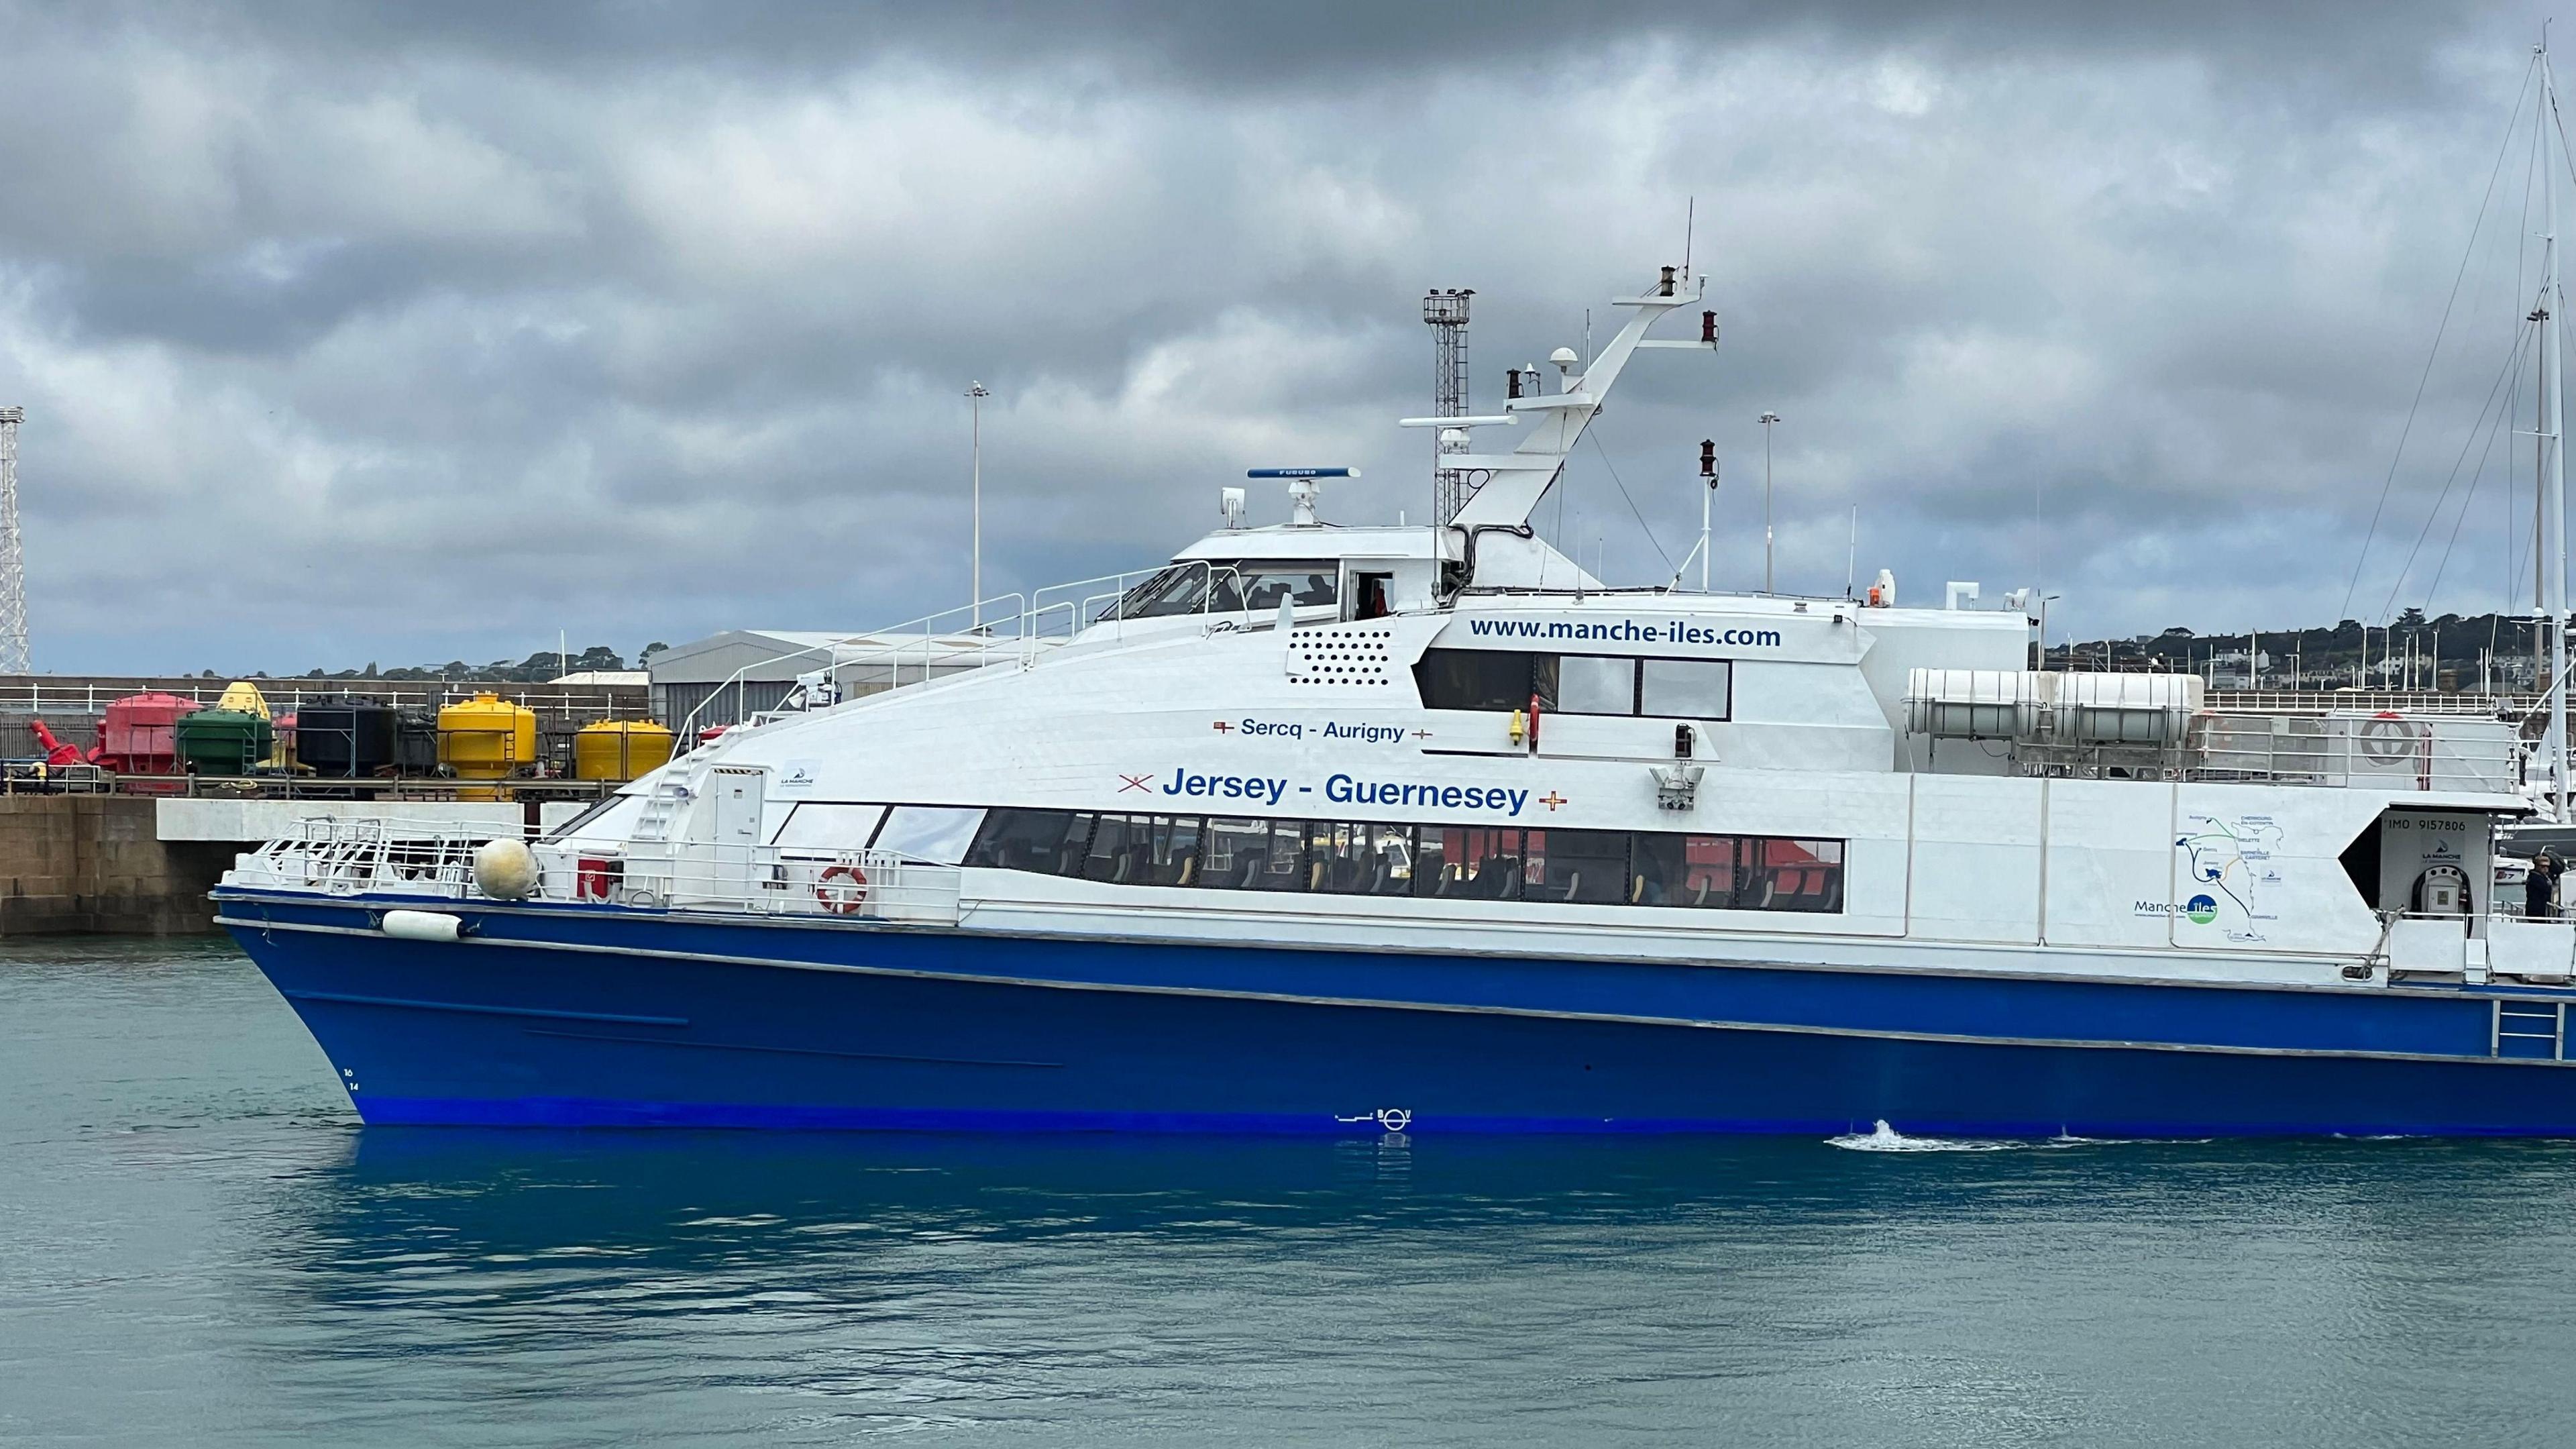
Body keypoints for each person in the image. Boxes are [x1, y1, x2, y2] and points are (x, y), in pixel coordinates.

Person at [2527, 853, 2557, 920]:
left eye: (2547, 867)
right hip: (2535, 910)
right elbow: (2547, 889)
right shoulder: (2534, 878)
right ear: (2537, 866)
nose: (2545, 868)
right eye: (2542, 866)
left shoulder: (2544, 877)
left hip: (2543, 909)